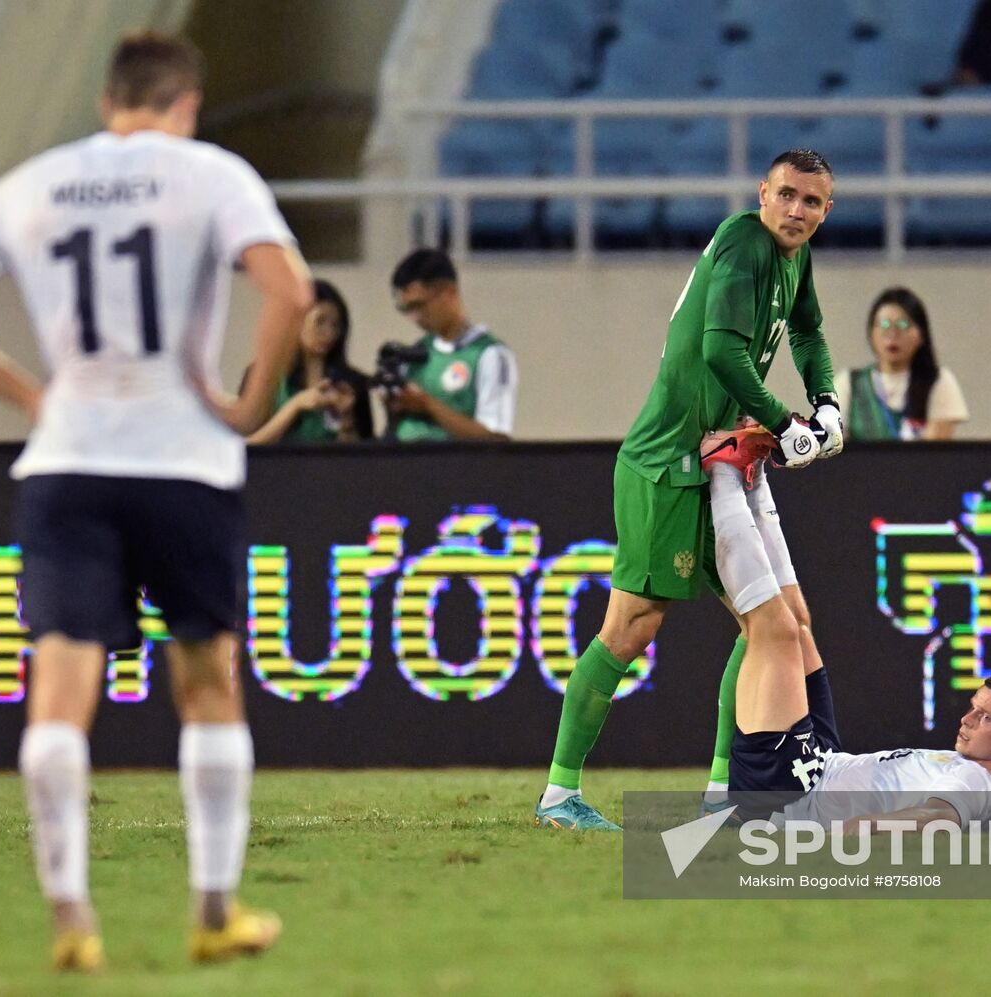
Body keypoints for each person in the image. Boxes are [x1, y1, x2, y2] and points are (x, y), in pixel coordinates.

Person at [0, 32, 312, 971]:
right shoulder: (211, 174)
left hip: (69, 462)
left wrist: (26, 393)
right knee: (207, 680)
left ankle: (72, 917)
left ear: (107, 102)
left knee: (60, 689)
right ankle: (214, 910)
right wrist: (249, 401)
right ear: (187, 103)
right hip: (183, 463)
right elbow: (286, 286)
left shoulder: (33, 182)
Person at [535, 149, 845, 831]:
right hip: (668, 463)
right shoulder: (744, 241)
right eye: (786, 195)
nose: (796, 211)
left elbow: (810, 331)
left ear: (828, 210)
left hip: (717, 463)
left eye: (811, 202)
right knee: (632, 627)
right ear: (763, 194)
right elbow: (719, 351)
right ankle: (560, 794)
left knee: (770, 622)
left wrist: (824, 401)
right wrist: (780, 421)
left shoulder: (794, 260)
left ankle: (725, 788)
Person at [731, 661, 991, 829]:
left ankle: (722, 787)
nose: (966, 719)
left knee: (775, 635)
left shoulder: (971, 781)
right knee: (797, 628)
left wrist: (861, 826)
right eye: (973, 707)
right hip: (827, 756)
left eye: (985, 717)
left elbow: (935, 816)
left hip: (795, 787)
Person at [384, 248, 517, 441]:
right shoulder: (415, 354)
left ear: (449, 292)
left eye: (419, 306)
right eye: (407, 309)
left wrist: (427, 405)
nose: (415, 318)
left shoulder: (489, 354)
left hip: (457, 467)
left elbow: (496, 439)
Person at [247, 278, 374, 444]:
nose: (329, 333)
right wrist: (296, 405)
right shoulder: (263, 375)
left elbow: (365, 453)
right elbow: (248, 444)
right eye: (319, 322)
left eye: (336, 325)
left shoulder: (353, 382)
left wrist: (347, 418)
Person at [833, 287, 969, 442]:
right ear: (871, 333)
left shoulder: (939, 380)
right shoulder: (848, 383)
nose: (892, 334)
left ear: (921, 335)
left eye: (903, 324)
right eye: (884, 324)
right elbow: (833, 446)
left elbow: (936, 449)